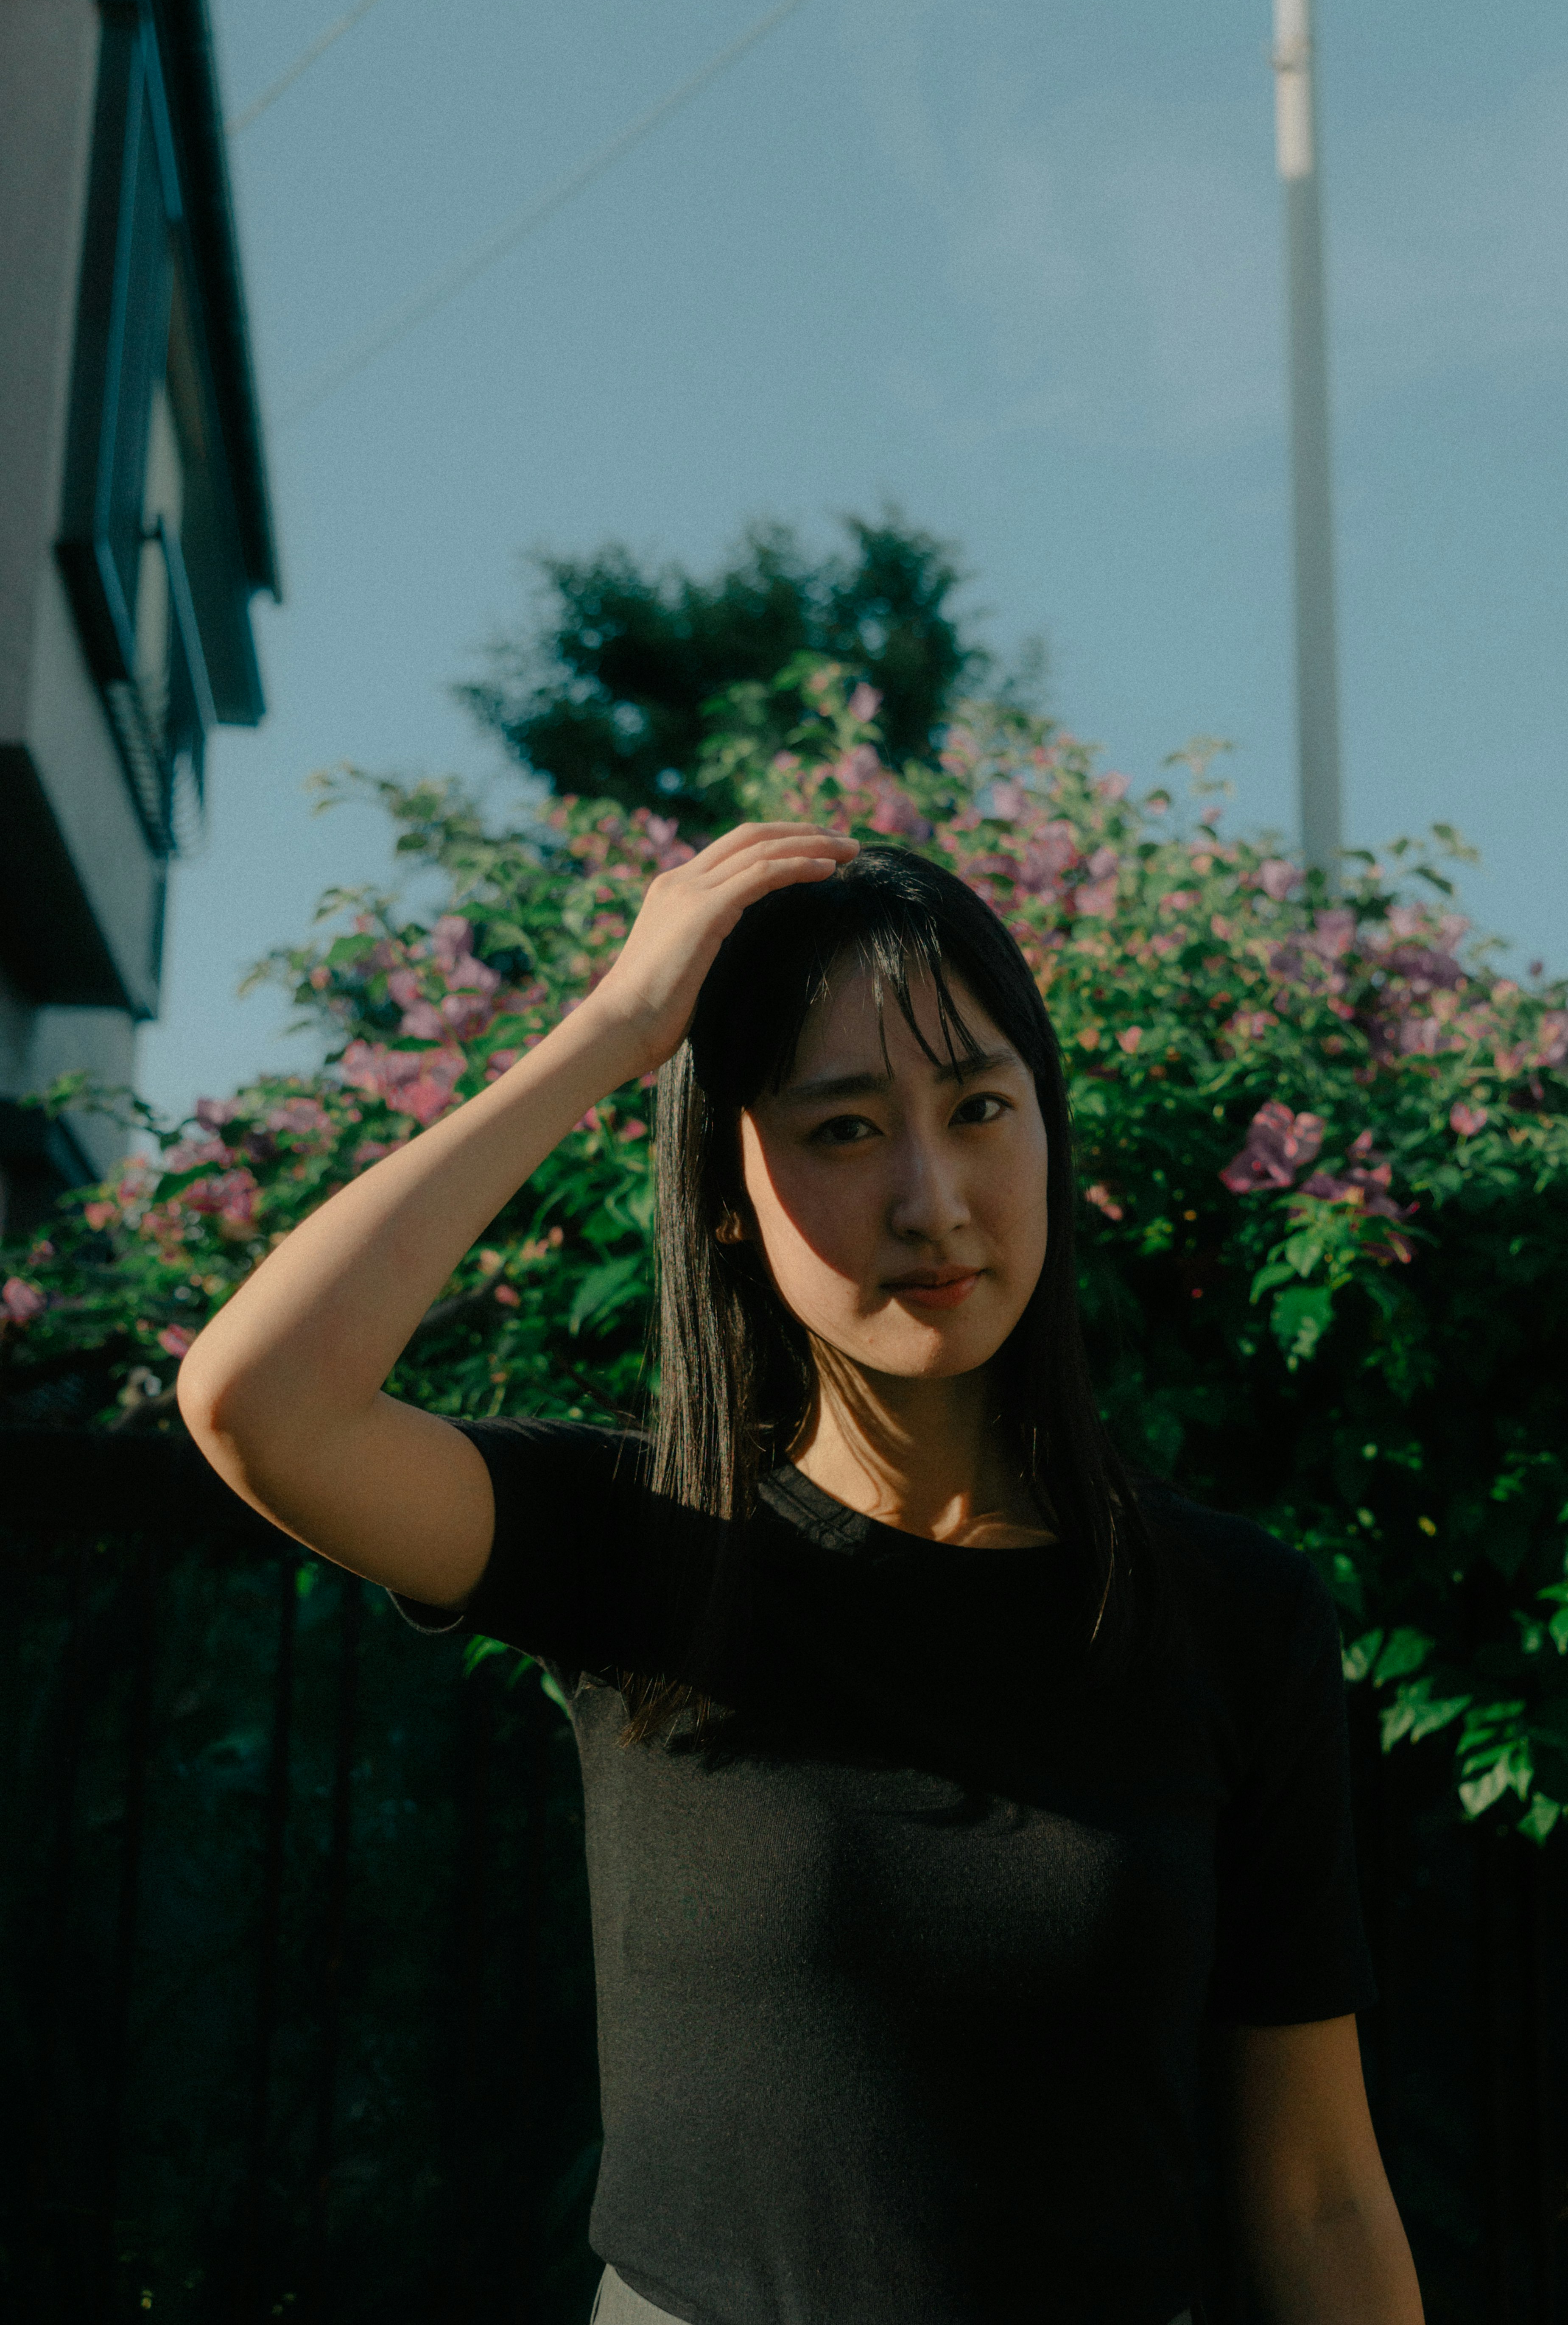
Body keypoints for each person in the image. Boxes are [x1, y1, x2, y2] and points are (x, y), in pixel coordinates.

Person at [179, 822, 1424, 2325]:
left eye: (979, 1108)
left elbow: (1323, 2194)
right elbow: (261, 1404)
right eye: (843, 1129)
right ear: (727, 1191)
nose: (933, 1197)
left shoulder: (1235, 1614)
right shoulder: (647, 1543)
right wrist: (611, 1035)